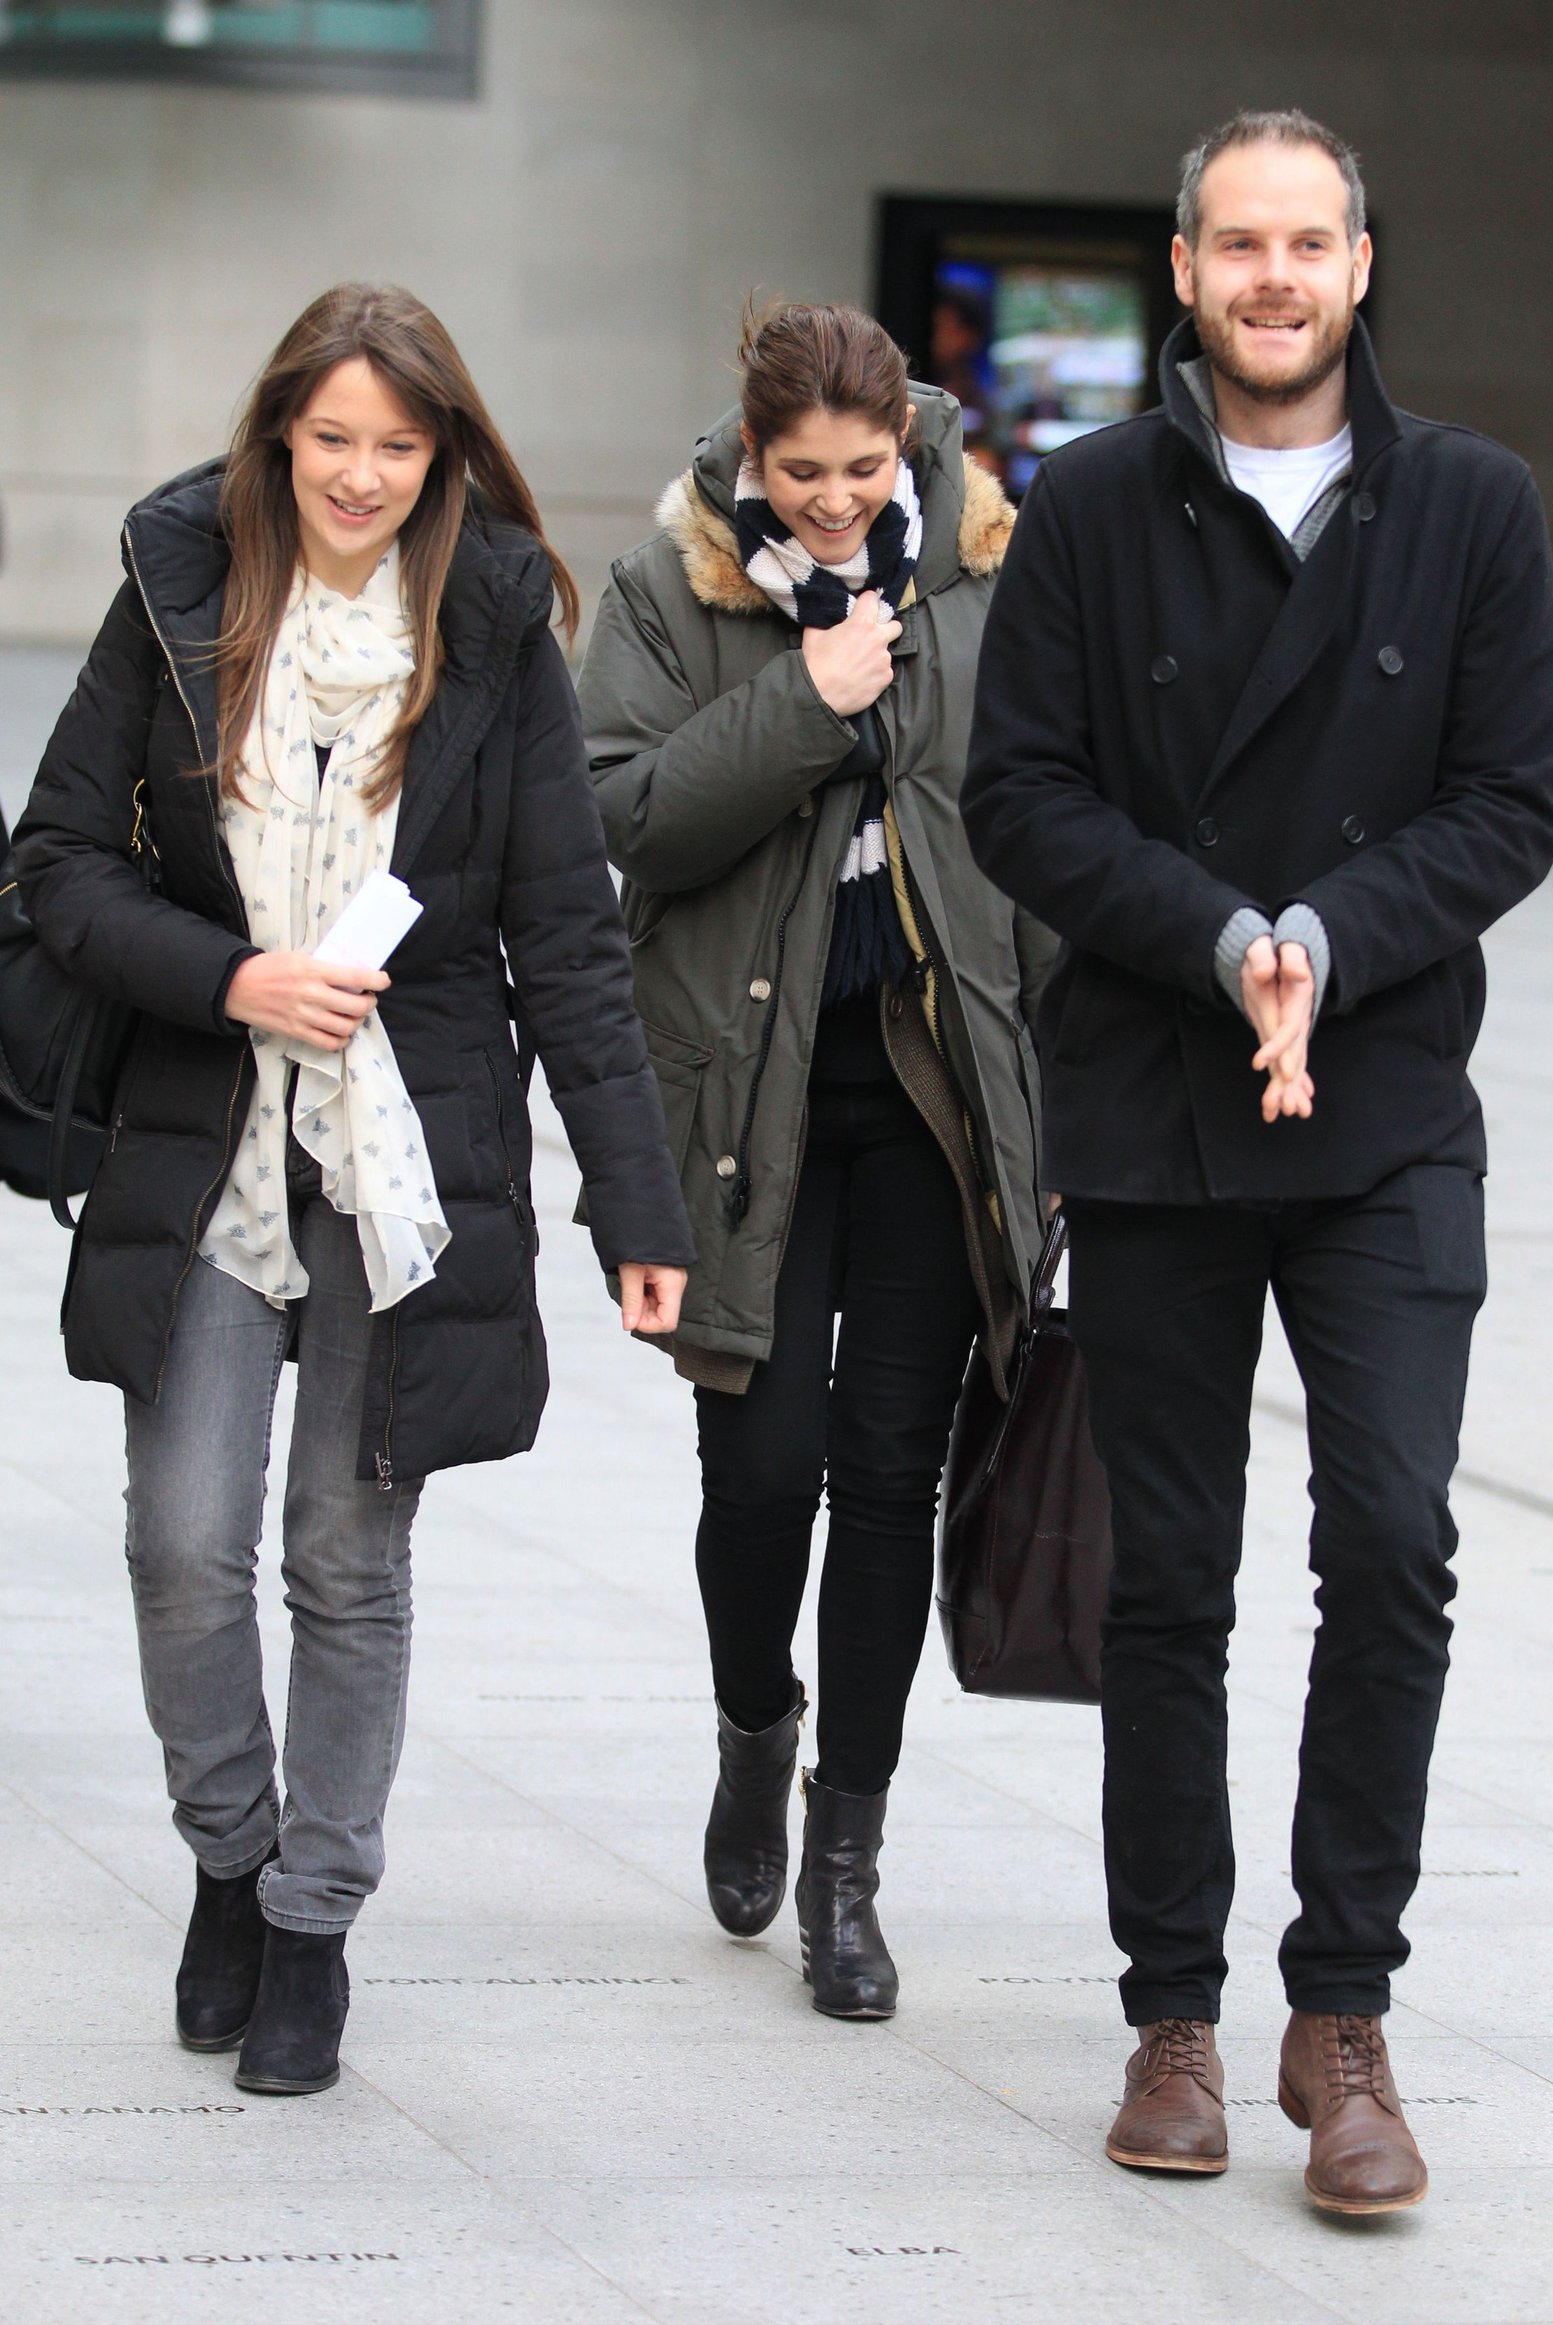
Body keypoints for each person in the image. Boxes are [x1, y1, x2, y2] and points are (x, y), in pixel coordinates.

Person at [963, 108, 1553, 2213]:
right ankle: (1177, 2010)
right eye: (1241, 244)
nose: (1277, 277)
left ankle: (1347, 2004)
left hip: (1387, 1107)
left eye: (1312, 243)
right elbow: (1016, 791)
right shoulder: (1097, 503)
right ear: (1187, 268)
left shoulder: (1476, 505)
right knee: (1171, 1582)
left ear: (1364, 266)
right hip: (1147, 1100)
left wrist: (1329, 939)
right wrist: (1220, 938)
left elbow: (1515, 795)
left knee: (1395, 1537)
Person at [13, 283, 693, 2096]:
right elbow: (58, 862)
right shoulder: (179, 598)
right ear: (277, 438)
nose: (364, 476)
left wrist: (637, 1211)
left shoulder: (492, 633)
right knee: (179, 1540)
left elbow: (567, 936)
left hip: (409, 1153)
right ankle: (227, 1862)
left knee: (345, 1550)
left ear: (443, 452)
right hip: (206, 1130)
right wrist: (234, 979)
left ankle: (312, 1917)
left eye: (400, 445)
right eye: (334, 440)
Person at [576, 301, 1052, 2020]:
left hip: (932, 1100)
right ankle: (750, 1729)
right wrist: (801, 698)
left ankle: (844, 1866)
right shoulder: (672, 587)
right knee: (760, 1471)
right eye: (804, 475)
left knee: (887, 1480)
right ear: (749, 456)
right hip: (738, 1108)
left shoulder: (991, 574)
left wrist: (1045, 1096)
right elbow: (616, 816)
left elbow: (1047, 825)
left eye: (866, 470)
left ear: (907, 444)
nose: (839, 502)